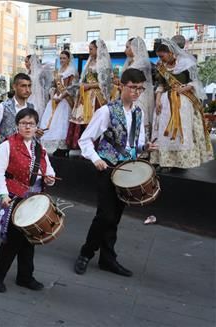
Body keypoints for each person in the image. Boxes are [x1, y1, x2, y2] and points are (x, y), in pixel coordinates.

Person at [73, 68, 158, 277]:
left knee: (115, 216)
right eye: (133, 88)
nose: (137, 92)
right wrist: (96, 159)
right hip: (107, 168)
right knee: (105, 215)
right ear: (122, 85)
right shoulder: (107, 111)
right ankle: (86, 253)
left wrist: (144, 147)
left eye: (140, 89)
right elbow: (84, 139)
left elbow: (134, 145)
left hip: (126, 171)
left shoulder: (139, 112)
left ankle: (107, 258)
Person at [0, 108, 56, 293]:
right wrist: (3, 195)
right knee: (12, 239)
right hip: (14, 197)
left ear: (36, 127)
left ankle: (25, 277)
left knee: (30, 238)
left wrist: (49, 176)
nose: (27, 127)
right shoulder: (7, 146)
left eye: (31, 124)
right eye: (24, 123)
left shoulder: (39, 148)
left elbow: (48, 168)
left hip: (34, 197)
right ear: (17, 125)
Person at [150, 38, 213, 170]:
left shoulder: (187, 63)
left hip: (182, 102)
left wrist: (184, 88)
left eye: (162, 56)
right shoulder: (162, 66)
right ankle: (165, 160)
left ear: (171, 52)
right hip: (165, 101)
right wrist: (157, 99)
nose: (160, 59)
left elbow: (195, 82)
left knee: (179, 132)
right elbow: (161, 84)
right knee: (163, 131)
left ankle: (180, 161)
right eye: (159, 57)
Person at [67, 39, 112, 150]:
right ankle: (82, 147)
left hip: (96, 96)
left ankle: (95, 147)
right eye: (89, 49)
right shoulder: (89, 61)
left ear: (98, 49)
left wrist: (89, 86)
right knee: (82, 121)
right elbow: (84, 78)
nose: (89, 51)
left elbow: (105, 82)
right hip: (85, 95)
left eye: (91, 49)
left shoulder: (104, 64)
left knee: (94, 121)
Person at [0, 73, 35, 155]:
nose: (27, 90)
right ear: (14, 87)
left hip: (25, 154)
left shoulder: (31, 108)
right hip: (6, 153)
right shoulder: (3, 107)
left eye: (29, 86)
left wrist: (36, 132)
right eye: (23, 86)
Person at [40, 50, 78, 155]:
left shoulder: (71, 71)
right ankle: (51, 147)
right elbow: (53, 85)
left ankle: (62, 147)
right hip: (55, 98)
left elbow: (72, 88)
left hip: (65, 100)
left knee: (61, 122)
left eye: (64, 58)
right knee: (50, 121)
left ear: (68, 59)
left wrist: (61, 97)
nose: (62, 60)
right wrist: (52, 94)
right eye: (60, 58)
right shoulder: (57, 71)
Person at [123, 37, 155, 138]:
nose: (125, 50)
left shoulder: (142, 62)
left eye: (128, 47)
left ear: (134, 48)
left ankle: (141, 145)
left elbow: (129, 75)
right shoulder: (130, 61)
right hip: (131, 93)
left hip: (141, 94)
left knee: (139, 117)